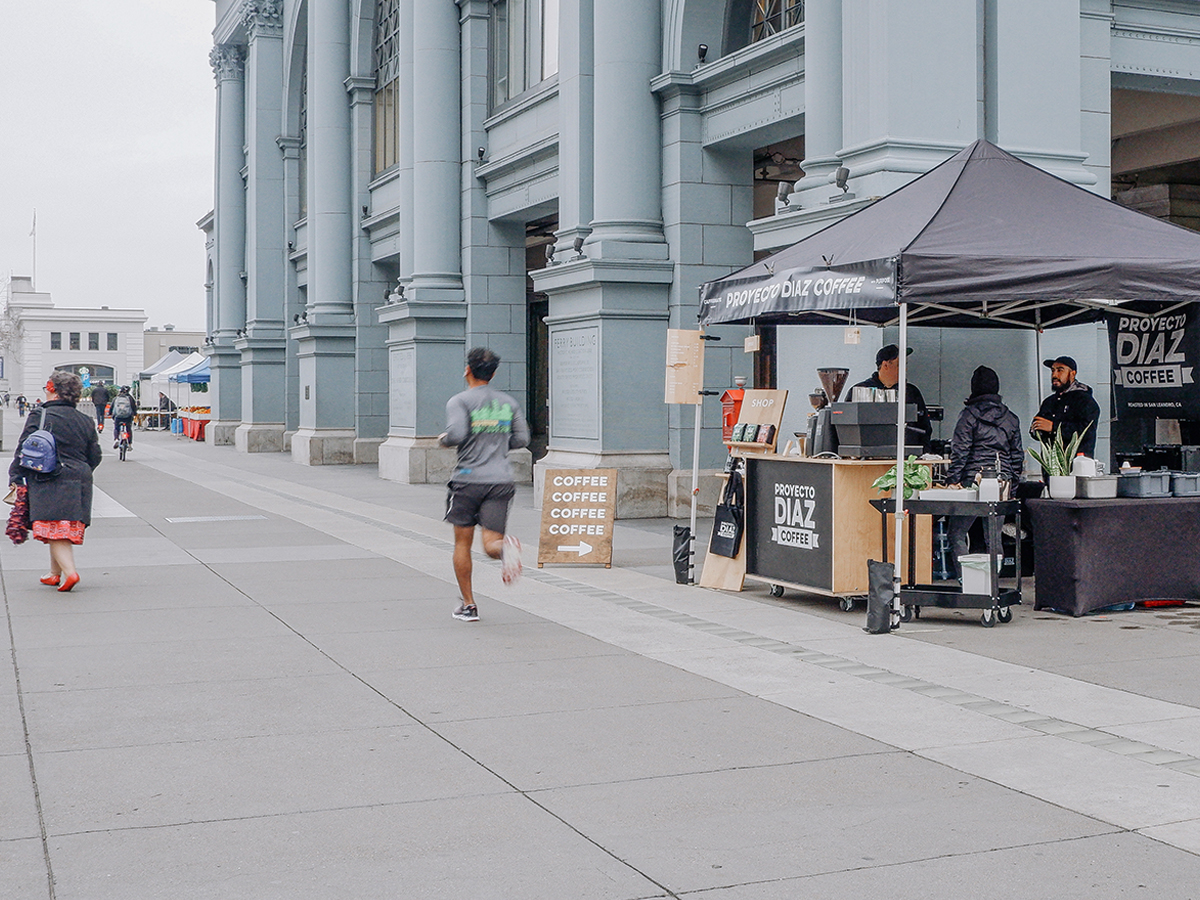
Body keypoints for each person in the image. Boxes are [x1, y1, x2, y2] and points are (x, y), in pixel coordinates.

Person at [438, 347, 530, 622]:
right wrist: (499, 444)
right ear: (493, 373)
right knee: (491, 543)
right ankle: (506, 548)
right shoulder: (508, 403)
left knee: (462, 543)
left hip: (468, 480)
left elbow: (457, 433)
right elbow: (522, 439)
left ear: (468, 370)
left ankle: (469, 605)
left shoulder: (460, 401)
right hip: (500, 480)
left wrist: (443, 439)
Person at [9, 371, 102, 592]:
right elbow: (95, 455)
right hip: (79, 478)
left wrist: (15, 476)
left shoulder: (39, 416)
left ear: (52, 389)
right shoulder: (85, 420)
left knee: (54, 528)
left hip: (48, 477)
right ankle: (54, 573)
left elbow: (24, 449)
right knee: (59, 528)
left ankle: (70, 573)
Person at [943, 366, 1024, 579]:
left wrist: (952, 481)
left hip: (972, 481)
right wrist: (1012, 488)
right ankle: (992, 587)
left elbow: (960, 451)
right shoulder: (1011, 418)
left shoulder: (968, 415)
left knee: (957, 533)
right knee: (994, 538)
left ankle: (967, 580)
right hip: (1001, 482)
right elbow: (1017, 458)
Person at [850, 344, 933, 451]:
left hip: (908, 456)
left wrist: (924, 452)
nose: (905, 369)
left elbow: (925, 426)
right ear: (885, 365)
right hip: (868, 457)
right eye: (900, 365)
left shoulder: (911, 392)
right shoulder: (860, 390)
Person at [1030, 355, 1100, 458]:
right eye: (1053, 371)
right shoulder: (1049, 402)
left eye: (1060, 370)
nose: (1054, 375)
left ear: (1072, 374)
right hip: (1050, 465)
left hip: (1076, 465)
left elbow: (1086, 431)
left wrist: (1053, 427)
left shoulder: (1085, 401)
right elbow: (1038, 425)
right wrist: (1036, 429)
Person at [109, 385, 137, 450]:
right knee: (128, 429)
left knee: (116, 428)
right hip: (128, 417)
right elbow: (134, 407)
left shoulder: (116, 398)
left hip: (118, 417)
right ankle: (129, 444)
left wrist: (110, 413)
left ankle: (116, 439)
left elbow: (112, 407)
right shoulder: (130, 398)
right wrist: (134, 414)